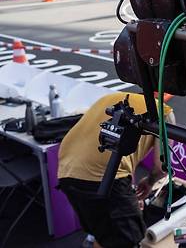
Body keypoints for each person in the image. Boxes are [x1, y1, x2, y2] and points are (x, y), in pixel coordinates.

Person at [58, 92, 175, 248]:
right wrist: (150, 181)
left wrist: (130, 192)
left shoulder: (112, 98)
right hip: (102, 178)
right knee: (130, 239)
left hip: (67, 171)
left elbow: (114, 153)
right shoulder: (163, 112)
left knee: (103, 232)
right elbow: (162, 166)